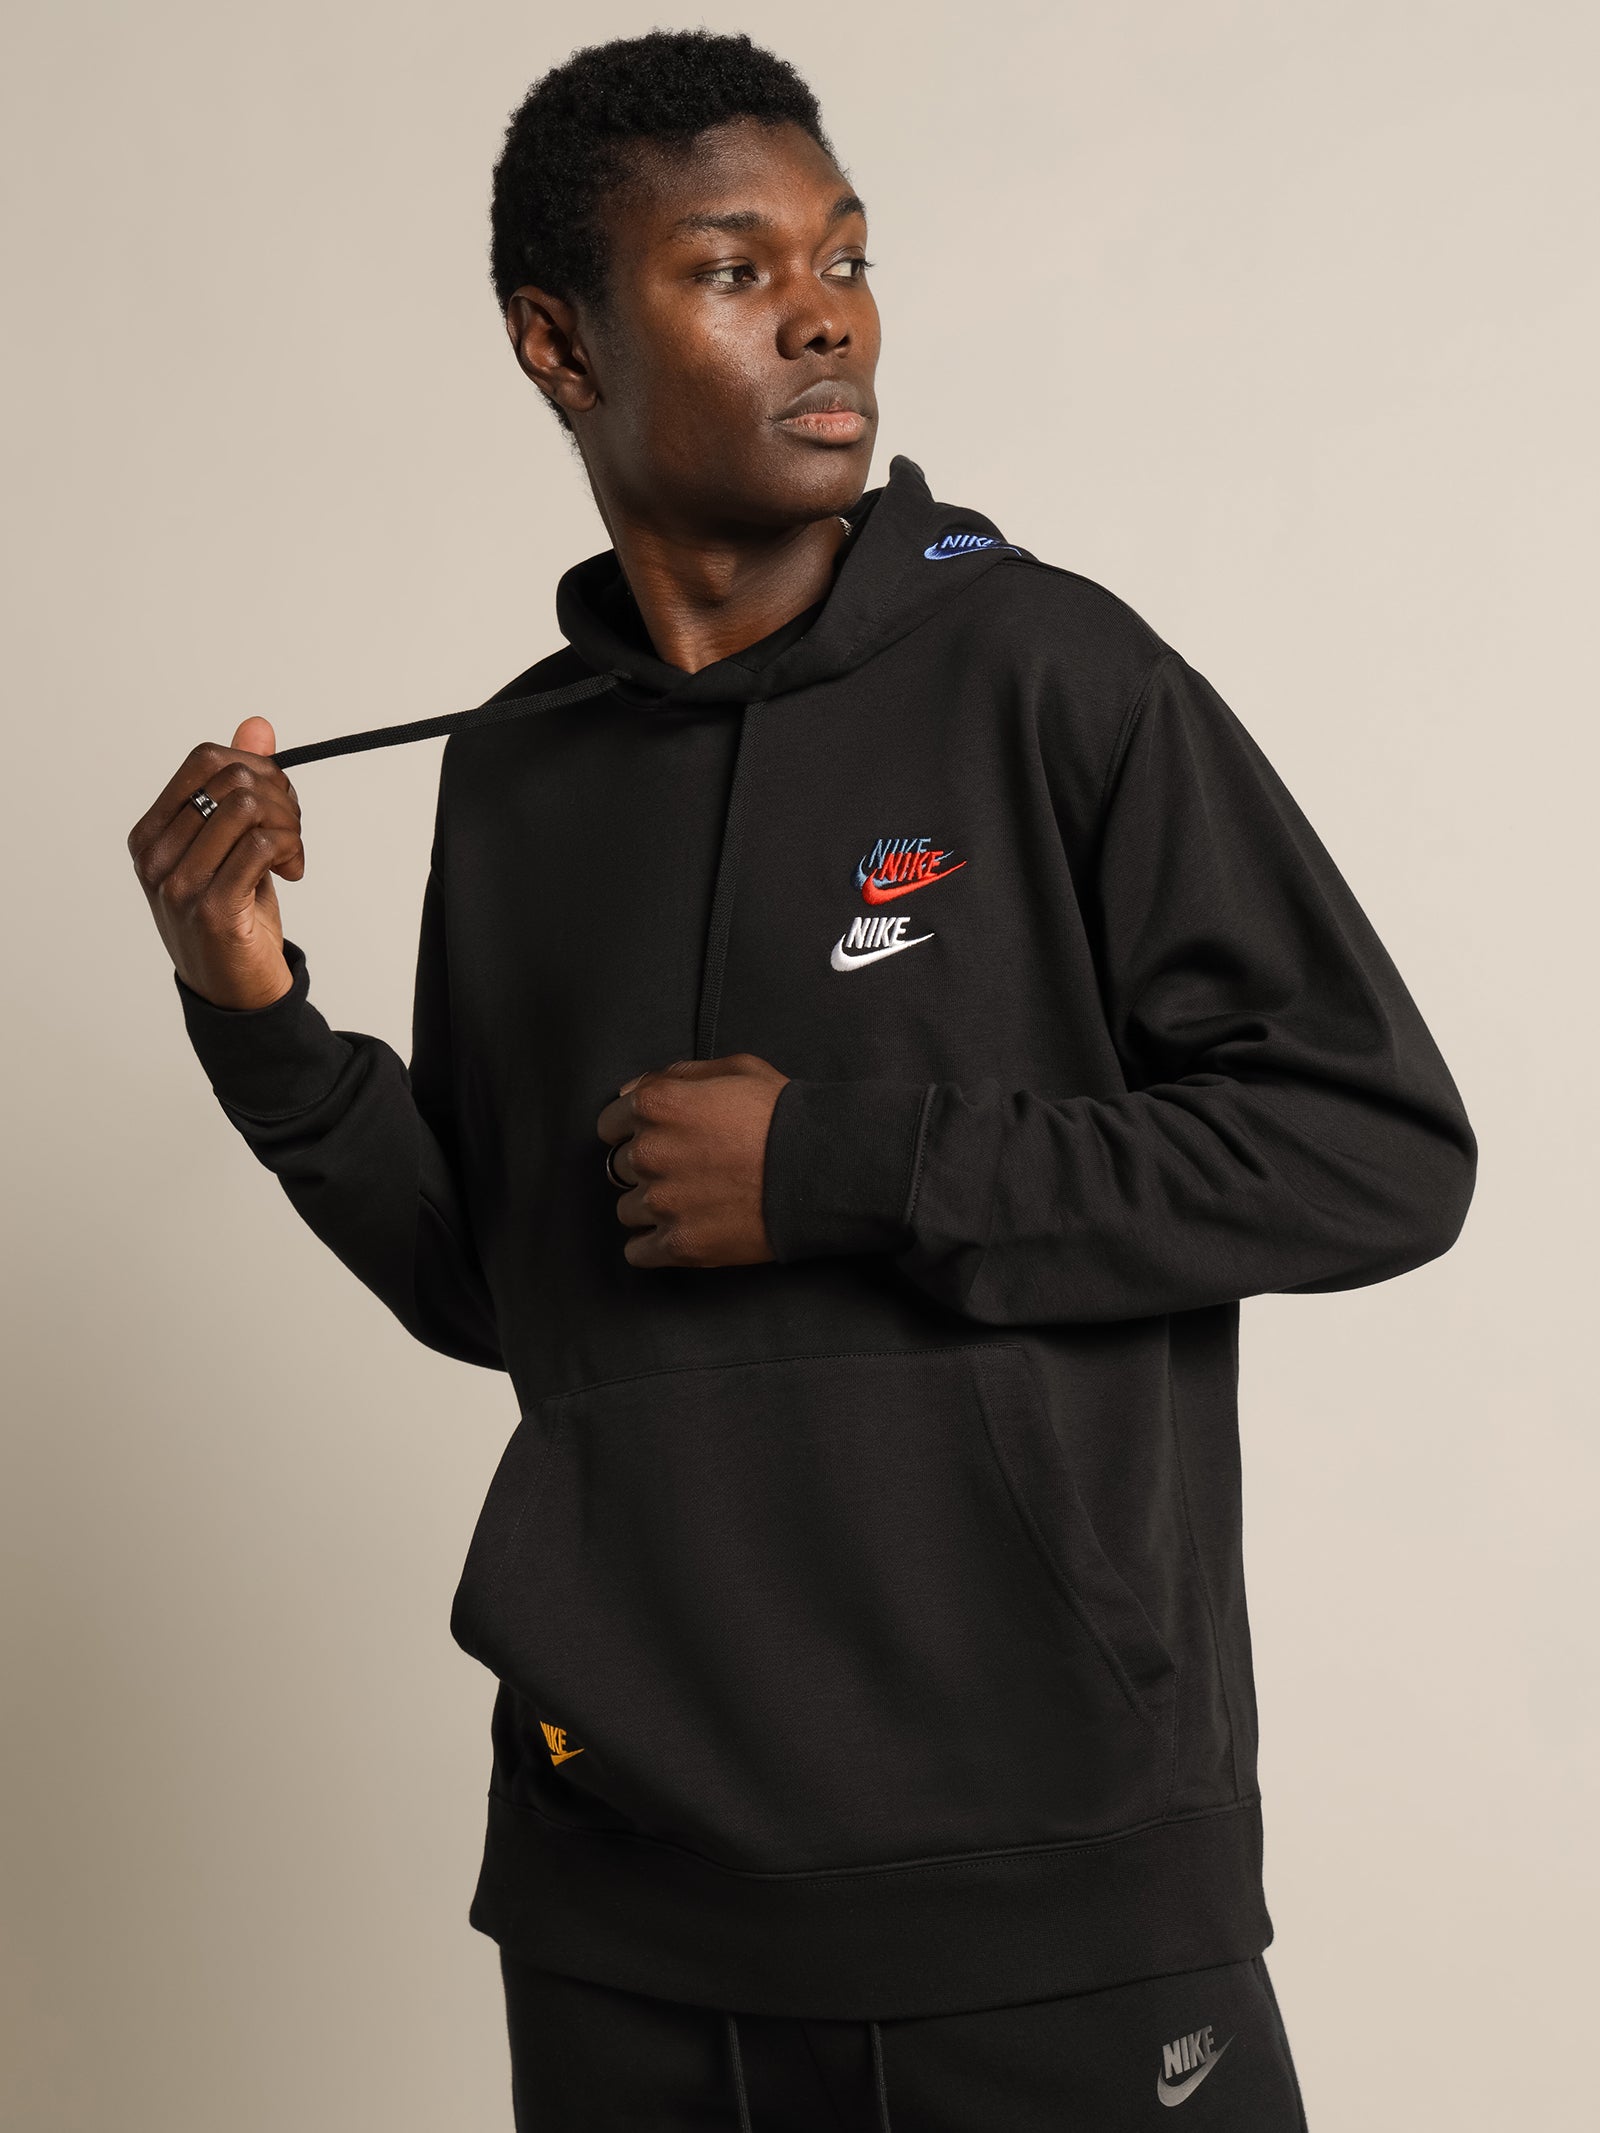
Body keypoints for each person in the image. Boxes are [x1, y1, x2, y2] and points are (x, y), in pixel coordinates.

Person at [126, 29, 1475, 2131]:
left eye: (841, 256)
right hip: (625, 1901)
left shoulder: (1055, 676)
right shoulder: (521, 773)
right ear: (558, 342)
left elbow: (1372, 1148)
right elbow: (515, 1289)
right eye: (733, 269)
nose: (826, 312)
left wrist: (844, 1164)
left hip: (1049, 1884)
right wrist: (260, 1018)